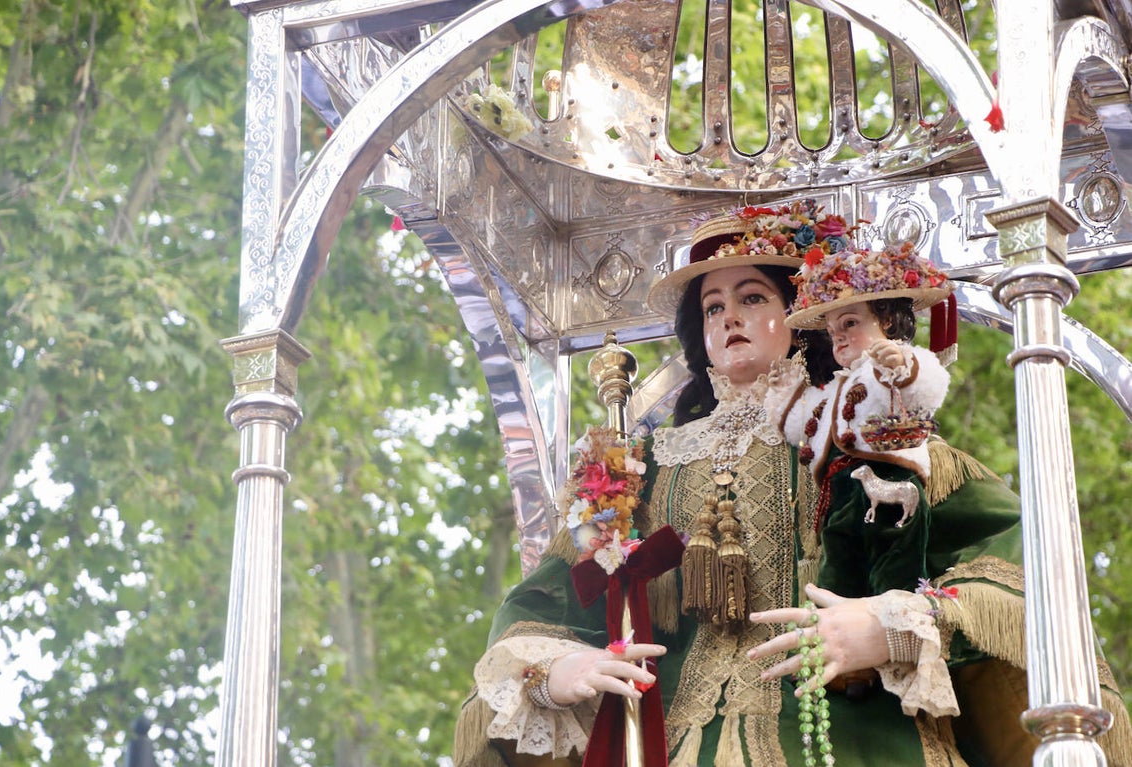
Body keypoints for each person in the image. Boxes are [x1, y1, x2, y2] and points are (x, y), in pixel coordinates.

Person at [453, 203, 1132, 767]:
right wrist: (558, 670)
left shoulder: (866, 437)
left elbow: (1015, 573)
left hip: (850, 738)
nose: (729, 316)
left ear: (800, 314)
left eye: (753, 296)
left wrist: (888, 627)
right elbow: (551, 599)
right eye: (713, 305)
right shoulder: (638, 469)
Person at [763, 242, 954, 599]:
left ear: (885, 320)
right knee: (837, 569)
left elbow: (926, 383)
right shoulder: (836, 388)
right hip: (841, 494)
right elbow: (801, 421)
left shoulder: (893, 363)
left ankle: (896, 633)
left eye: (851, 323)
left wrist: (898, 363)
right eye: (834, 332)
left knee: (895, 566)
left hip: (891, 479)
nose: (840, 338)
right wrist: (781, 392)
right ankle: (833, 631)